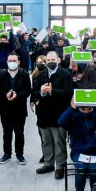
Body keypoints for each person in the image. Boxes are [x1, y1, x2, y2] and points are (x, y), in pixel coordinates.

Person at [32, 51, 73, 179]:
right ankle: (48, 163)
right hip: (44, 114)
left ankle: (60, 166)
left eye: (53, 59)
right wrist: (42, 92)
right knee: (46, 141)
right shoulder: (41, 75)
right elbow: (34, 93)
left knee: (59, 142)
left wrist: (52, 91)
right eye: (48, 60)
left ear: (58, 60)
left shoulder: (65, 74)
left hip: (59, 114)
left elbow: (68, 93)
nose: (50, 62)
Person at [0, 53, 31, 165]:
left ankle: (19, 154)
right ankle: (7, 153)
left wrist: (18, 95)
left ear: (18, 62)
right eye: (10, 60)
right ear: (7, 62)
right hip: (5, 109)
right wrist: (5, 95)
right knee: (7, 132)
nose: (12, 62)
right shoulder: (1, 74)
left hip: (19, 109)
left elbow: (27, 90)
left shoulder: (24, 74)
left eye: (14, 60)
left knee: (19, 132)